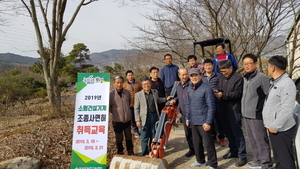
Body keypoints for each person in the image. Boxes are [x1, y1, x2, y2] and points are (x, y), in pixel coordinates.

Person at [262, 55, 297, 169]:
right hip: (274, 127)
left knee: (285, 159)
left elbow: (287, 109)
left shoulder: (286, 84)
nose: (267, 68)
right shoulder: (276, 82)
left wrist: (276, 126)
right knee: (279, 158)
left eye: (268, 66)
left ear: (272, 68)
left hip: (281, 128)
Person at [241, 54, 272, 169]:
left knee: (261, 140)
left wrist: (266, 114)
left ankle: (266, 163)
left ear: (255, 64)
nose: (247, 66)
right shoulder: (245, 78)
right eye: (244, 64)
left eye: (249, 63)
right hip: (246, 114)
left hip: (257, 114)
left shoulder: (262, 78)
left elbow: (269, 96)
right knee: (252, 139)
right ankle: (257, 160)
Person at [214, 59, 247, 167]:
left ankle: (242, 156)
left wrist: (222, 95)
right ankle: (233, 151)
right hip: (223, 109)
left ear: (231, 68)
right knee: (228, 133)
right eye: (221, 72)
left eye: (225, 71)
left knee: (237, 133)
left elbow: (237, 94)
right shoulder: (221, 78)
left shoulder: (238, 78)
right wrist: (216, 92)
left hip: (234, 110)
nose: (223, 73)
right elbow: (219, 88)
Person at [185, 68, 218, 169]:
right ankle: (200, 160)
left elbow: (211, 106)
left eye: (196, 75)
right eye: (192, 76)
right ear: (189, 77)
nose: (194, 78)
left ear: (200, 75)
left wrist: (208, 122)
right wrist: (187, 117)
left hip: (204, 121)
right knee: (196, 143)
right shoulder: (189, 88)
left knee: (208, 144)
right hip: (193, 121)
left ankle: (213, 164)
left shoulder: (206, 88)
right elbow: (187, 104)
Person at [134, 78, 166, 156]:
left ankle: (152, 152)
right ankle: (144, 153)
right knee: (144, 137)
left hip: (154, 116)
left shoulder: (155, 92)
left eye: (148, 84)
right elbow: (136, 108)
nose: (146, 85)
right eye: (144, 84)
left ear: (150, 84)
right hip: (144, 118)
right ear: (142, 86)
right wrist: (137, 120)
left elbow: (158, 100)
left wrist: (166, 99)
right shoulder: (138, 94)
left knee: (153, 135)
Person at [170, 68, 195, 157]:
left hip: (193, 113)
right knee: (188, 133)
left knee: (195, 133)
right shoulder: (178, 86)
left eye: (186, 74)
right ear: (179, 76)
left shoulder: (192, 84)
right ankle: (192, 149)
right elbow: (179, 97)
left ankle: (199, 150)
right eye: (182, 75)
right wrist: (174, 100)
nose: (184, 76)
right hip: (184, 113)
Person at [202, 59, 225, 147]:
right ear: (203, 66)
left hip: (217, 101)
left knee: (220, 120)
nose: (208, 67)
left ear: (213, 66)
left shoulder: (218, 76)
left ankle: (222, 137)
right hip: (206, 103)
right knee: (209, 120)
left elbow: (222, 86)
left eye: (209, 65)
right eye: (206, 65)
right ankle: (213, 136)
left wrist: (217, 91)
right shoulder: (201, 77)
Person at [109, 76, 134, 155]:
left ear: (123, 83)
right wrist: (116, 112)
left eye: (121, 82)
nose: (119, 84)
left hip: (127, 119)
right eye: (117, 83)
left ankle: (130, 152)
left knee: (129, 137)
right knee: (119, 138)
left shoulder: (127, 92)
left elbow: (129, 102)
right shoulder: (111, 95)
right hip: (117, 120)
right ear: (114, 84)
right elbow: (109, 107)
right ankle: (120, 152)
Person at [123, 70, 143, 138]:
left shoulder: (138, 83)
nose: (130, 76)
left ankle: (141, 129)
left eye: (131, 75)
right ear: (126, 76)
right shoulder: (124, 85)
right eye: (129, 75)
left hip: (139, 104)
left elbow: (142, 91)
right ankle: (136, 131)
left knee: (140, 117)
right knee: (132, 118)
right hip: (130, 105)